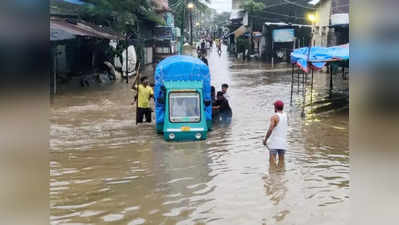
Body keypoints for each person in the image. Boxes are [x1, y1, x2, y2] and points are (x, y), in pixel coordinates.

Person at [263, 100, 288, 166]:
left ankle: (273, 176)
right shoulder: (286, 116)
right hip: (283, 143)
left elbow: (270, 129)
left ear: (276, 107)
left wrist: (265, 140)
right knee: (282, 163)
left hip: (274, 143)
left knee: (272, 164)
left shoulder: (274, 117)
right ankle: (281, 175)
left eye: (274, 106)